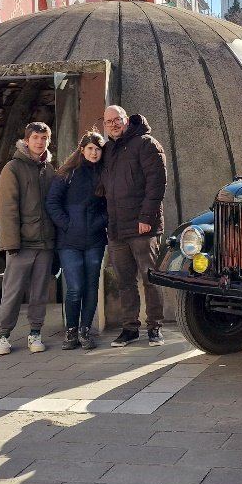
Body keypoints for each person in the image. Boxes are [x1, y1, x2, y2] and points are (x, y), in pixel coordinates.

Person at [100, 104, 167, 347]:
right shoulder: (108, 150)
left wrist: (146, 218)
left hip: (142, 227)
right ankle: (130, 328)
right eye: (108, 122)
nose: (113, 125)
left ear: (126, 119)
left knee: (151, 278)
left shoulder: (146, 144)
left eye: (117, 119)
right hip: (117, 228)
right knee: (124, 281)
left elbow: (157, 184)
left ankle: (155, 327)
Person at [0, 121, 57, 357]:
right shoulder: (12, 168)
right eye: (35, 138)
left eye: (44, 138)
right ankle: (3, 335)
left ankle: (35, 332)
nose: (40, 142)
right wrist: (11, 243)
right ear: (27, 140)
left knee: (39, 292)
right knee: (12, 292)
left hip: (45, 242)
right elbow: (7, 208)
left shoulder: (49, 169)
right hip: (21, 243)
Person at [46, 131, 109, 351]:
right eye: (90, 148)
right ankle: (71, 331)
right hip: (69, 242)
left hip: (95, 240)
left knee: (91, 287)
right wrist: (68, 225)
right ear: (82, 150)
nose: (94, 153)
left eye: (98, 149)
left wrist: (99, 223)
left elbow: (110, 205)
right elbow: (52, 203)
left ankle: (85, 331)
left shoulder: (104, 174)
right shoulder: (66, 173)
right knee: (75, 288)